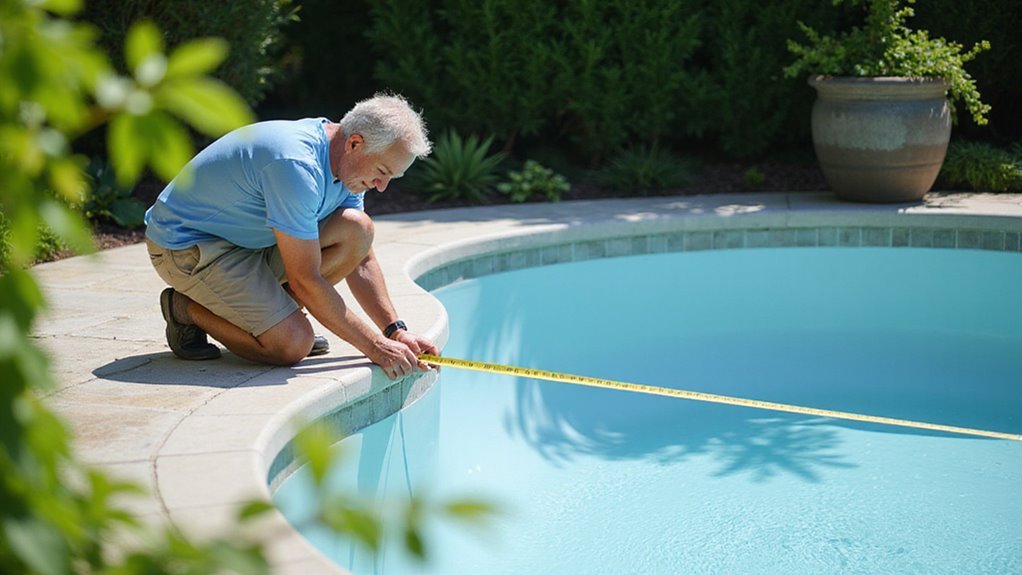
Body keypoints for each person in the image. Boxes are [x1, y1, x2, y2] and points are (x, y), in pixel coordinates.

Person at [144, 93, 438, 380]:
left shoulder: (347, 169)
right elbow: (304, 279)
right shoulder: (296, 164)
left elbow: (360, 257)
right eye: (382, 172)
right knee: (291, 344)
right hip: (188, 247)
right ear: (355, 143)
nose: (381, 186)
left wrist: (395, 331)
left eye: (390, 178)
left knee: (358, 229)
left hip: (249, 243)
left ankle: (275, 318)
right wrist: (374, 346)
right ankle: (184, 308)